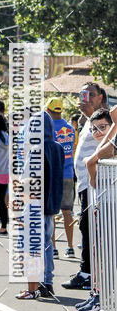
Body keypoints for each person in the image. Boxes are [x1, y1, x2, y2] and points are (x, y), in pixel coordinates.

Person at [62, 82, 107, 291]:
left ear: (100, 98)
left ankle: (88, 274)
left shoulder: (104, 120)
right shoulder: (90, 121)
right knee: (87, 228)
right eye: (81, 93)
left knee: (91, 230)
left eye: (89, 94)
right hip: (85, 185)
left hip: (95, 185)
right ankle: (88, 272)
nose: (83, 98)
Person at [74, 108, 117, 311]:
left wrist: (92, 172)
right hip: (101, 204)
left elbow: (91, 162)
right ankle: (97, 294)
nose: (98, 132)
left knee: (107, 254)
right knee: (99, 251)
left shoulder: (112, 141)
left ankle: (103, 296)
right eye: (94, 129)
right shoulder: (106, 139)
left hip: (110, 205)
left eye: (103, 127)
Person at [16, 112, 64, 299]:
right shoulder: (58, 148)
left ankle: (33, 287)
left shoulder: (36, 149)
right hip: (51, 202)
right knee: (47, 244)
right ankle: (47, 282)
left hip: (34, 202)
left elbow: (26, 180)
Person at [46, 97, 76, 257]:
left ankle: (54, 248)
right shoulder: (70, 128)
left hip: (53, 175)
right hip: (68, 174)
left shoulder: (48, 128)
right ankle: (70, 247)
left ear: (48, 111)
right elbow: (73, 149)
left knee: (51, 212)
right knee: (67, 212)